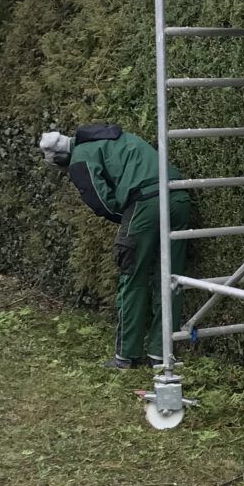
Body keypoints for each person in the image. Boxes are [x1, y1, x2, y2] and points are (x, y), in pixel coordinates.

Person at [39, 124, 193, 370]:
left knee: (133, 277)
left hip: (146, 202)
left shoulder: (80, 158)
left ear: (61, 158)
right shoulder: (116, 136)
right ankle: (160, 353)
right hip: (179, 196)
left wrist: (126, 220)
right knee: (171, 278)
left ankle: (126, 355)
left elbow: (101, 203)